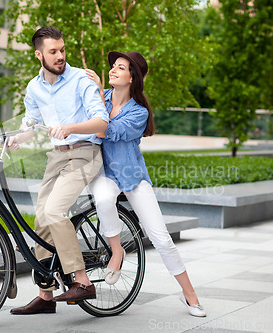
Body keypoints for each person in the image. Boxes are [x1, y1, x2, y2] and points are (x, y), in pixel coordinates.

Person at [85, 51, 207, 317]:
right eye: (113, 66)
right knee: (104, 199)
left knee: (162, 239)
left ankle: (190, 295)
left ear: (132, 78)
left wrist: (95, 95)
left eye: (121, 68)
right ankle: (117, 252)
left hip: (131, 175)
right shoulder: (100, 97)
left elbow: (104, 131)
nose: (113, 70)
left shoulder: (138, 113)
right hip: (102, 172)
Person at [7, 26, 109, 315]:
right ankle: (46, 295)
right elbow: (31, 123)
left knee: (54, 212)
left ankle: (83, 280)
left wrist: (70, 128)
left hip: (84, 153)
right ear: (39, 54)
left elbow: (101, 122)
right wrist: (16, 138)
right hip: (56, 157)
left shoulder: (81, 79)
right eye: (53, 51)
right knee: (41, 219)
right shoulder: (34, 86)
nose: (60, 56)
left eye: (62, 50)